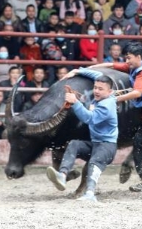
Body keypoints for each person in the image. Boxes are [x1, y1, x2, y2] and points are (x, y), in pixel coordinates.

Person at [65, 42, 142, 192]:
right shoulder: (134, 67)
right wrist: (85, 69)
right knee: (138, 143)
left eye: (129, 58)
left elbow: (137, 93)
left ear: (138, 57)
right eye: (126, 58)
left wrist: (112, 99)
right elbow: (111, 65)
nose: (127, 61)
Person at [46, 74, 119, 202]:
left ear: (110, 92)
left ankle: (90, 194)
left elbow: (89, 118)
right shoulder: (101, 100)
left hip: (107, 146)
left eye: (100, 89)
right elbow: (90, 109)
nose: (96, 91)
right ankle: (62, 175)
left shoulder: (107, 105)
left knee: (94, 163)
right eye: (95, 87)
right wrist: (78, 71)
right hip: (96, 144)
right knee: (74, 144)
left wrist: (75, 102)